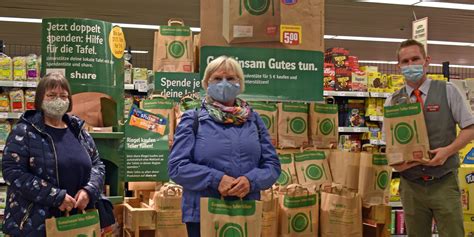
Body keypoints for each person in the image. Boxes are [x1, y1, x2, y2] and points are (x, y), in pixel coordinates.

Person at [168, 56, 281, 237]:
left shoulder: (254, 120)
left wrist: (250, 181)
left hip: (245, 211)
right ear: (206, 83)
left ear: (240, 83)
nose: (224, 84)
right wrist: (216, 179)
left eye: (230, 79)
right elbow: (177, 167)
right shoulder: (193, 119)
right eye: (217, 79)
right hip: (203, 215)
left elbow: (272, 166)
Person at [386, 39, 474, 236]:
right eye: (405, 61)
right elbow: (391, 145)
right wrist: (397, 163)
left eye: (415, 59)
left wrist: (447, 151)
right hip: (411, 185)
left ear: (426, 61)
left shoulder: (448, 91)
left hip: (444, 182)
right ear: (398, 66)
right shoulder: (392, 101)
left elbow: (470, 128)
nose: (411, 65)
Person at [2, 72, 105, 237]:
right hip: (35, 224)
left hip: (76, 220)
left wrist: (89, 190)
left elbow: (97, 164)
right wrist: (56, 196)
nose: (58, 100)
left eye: (63, 96)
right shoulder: (25, 131)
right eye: (51, 95)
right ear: (40, 99)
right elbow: (12, 172)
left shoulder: (78, 130)